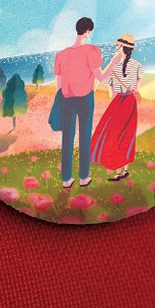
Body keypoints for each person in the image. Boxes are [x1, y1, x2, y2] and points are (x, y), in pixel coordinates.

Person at [53, 17, 108, 189]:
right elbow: (101, 77)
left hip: (67, 99)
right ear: (88, 32)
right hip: (85, 98)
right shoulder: (91, 50)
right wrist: (115, 60)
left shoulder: (61, 55)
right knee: (85, 136)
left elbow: (59, 85)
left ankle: (66, 179)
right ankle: (84, 177)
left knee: (67, 138)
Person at [90, 34, 144, 181]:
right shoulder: (137, 66)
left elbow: (111, 92)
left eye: (117, 45)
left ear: (121, 47)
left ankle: (119, 172)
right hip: (131, 102)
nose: (115, 47)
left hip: (119, 102)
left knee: (115, 134)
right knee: (128, 134)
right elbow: (137, 87)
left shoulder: (114, 68)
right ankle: (125, 169)